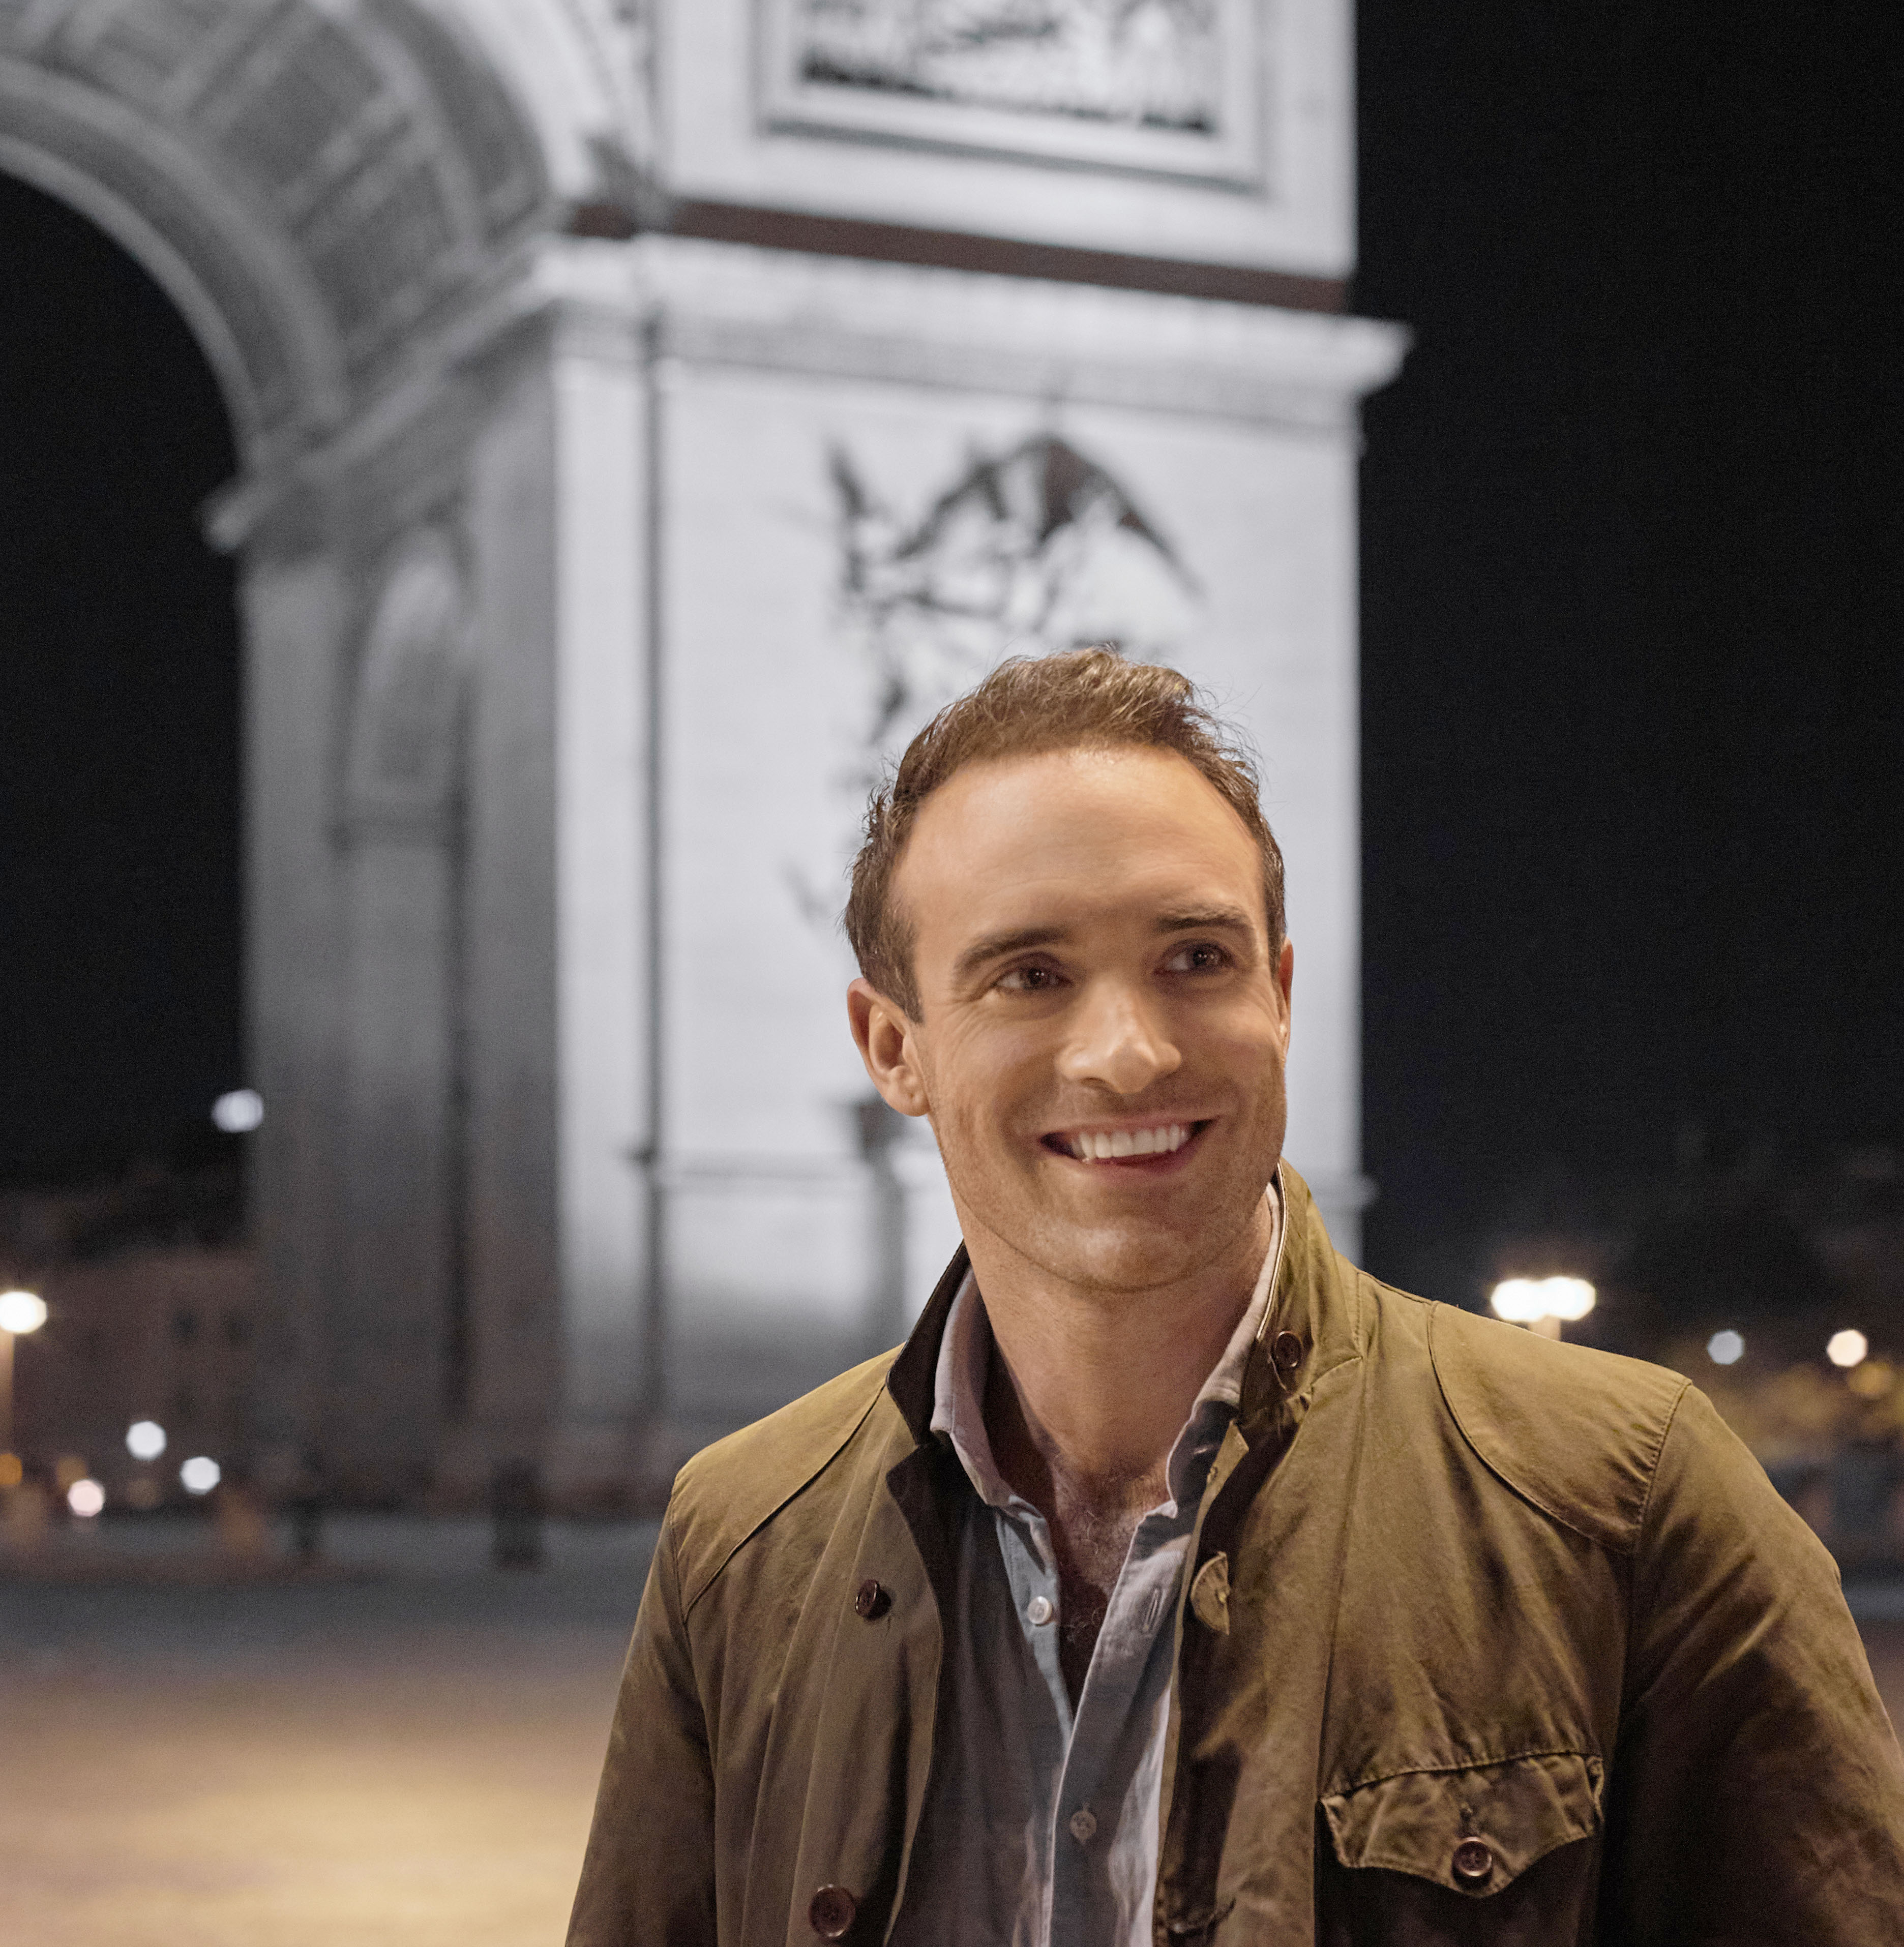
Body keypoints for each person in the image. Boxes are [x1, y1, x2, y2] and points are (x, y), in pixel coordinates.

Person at [569, 650, 1904, 1945]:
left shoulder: (1634, 1499)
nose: (1129, 1051)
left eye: (1196, 959)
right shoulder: (736, 1541)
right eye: (1030, 975)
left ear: (1279, 992)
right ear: (894, 1046)